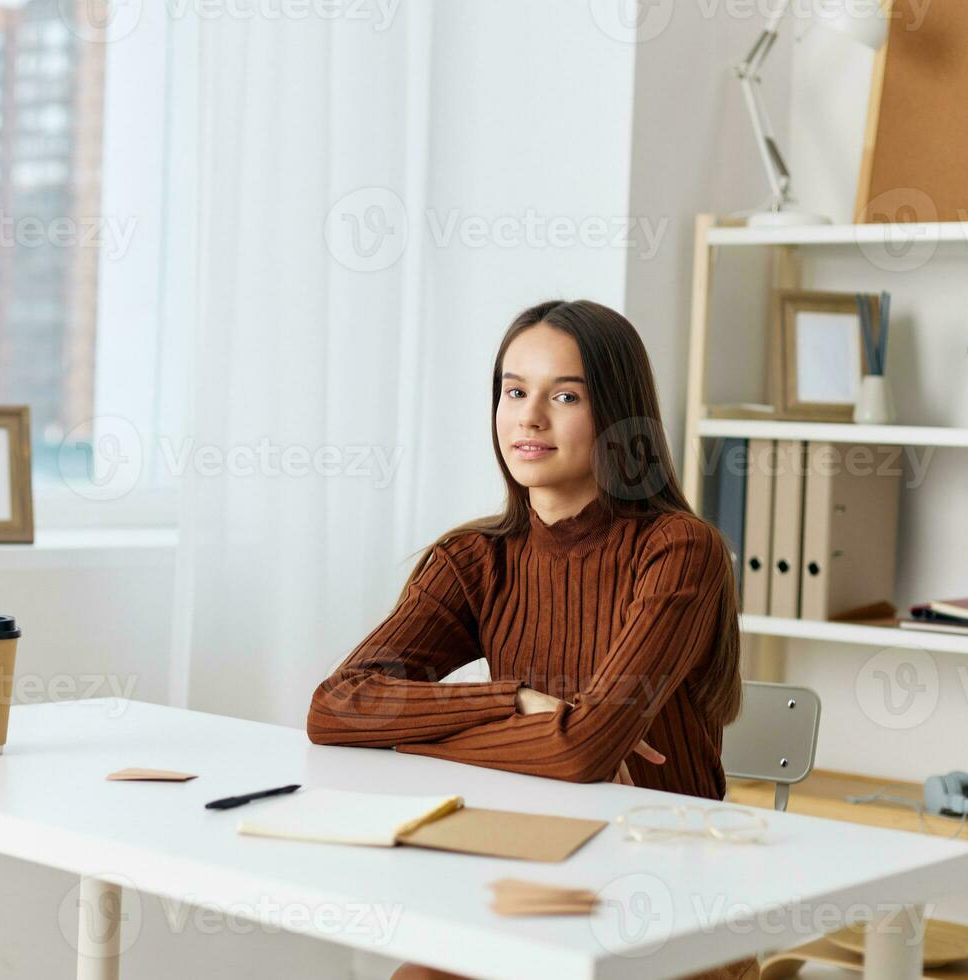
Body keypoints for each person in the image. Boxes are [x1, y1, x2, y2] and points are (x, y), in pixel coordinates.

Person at [306, 299, 756, 980]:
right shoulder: (474, 558)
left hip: (671, 902)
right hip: (532, 878)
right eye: (514, 390)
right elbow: (336, 708)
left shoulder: (678, 551)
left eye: (565, 395)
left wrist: (416, 729)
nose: (529, 417)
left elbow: (581, 752)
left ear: (617, 416)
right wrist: (516, 703)